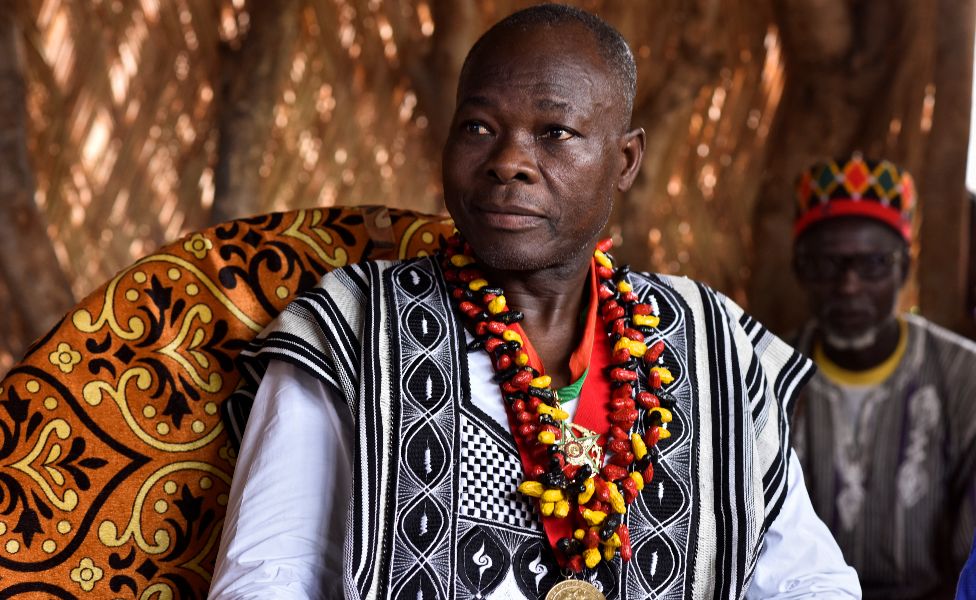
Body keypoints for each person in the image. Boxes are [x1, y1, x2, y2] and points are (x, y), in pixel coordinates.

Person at [210, 5, 860, 599]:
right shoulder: (357, 327)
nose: (508, 160)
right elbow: (267, 578)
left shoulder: (707, 340)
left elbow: (809, 581)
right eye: (478, 126)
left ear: (625, 160)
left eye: (554, 132)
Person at [790, 155, 976, 600]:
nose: (849, 285)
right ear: (800, 269)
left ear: (904, 269)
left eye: (873, 264)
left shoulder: (965, 377)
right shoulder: (761, 373)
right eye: (828, 264)